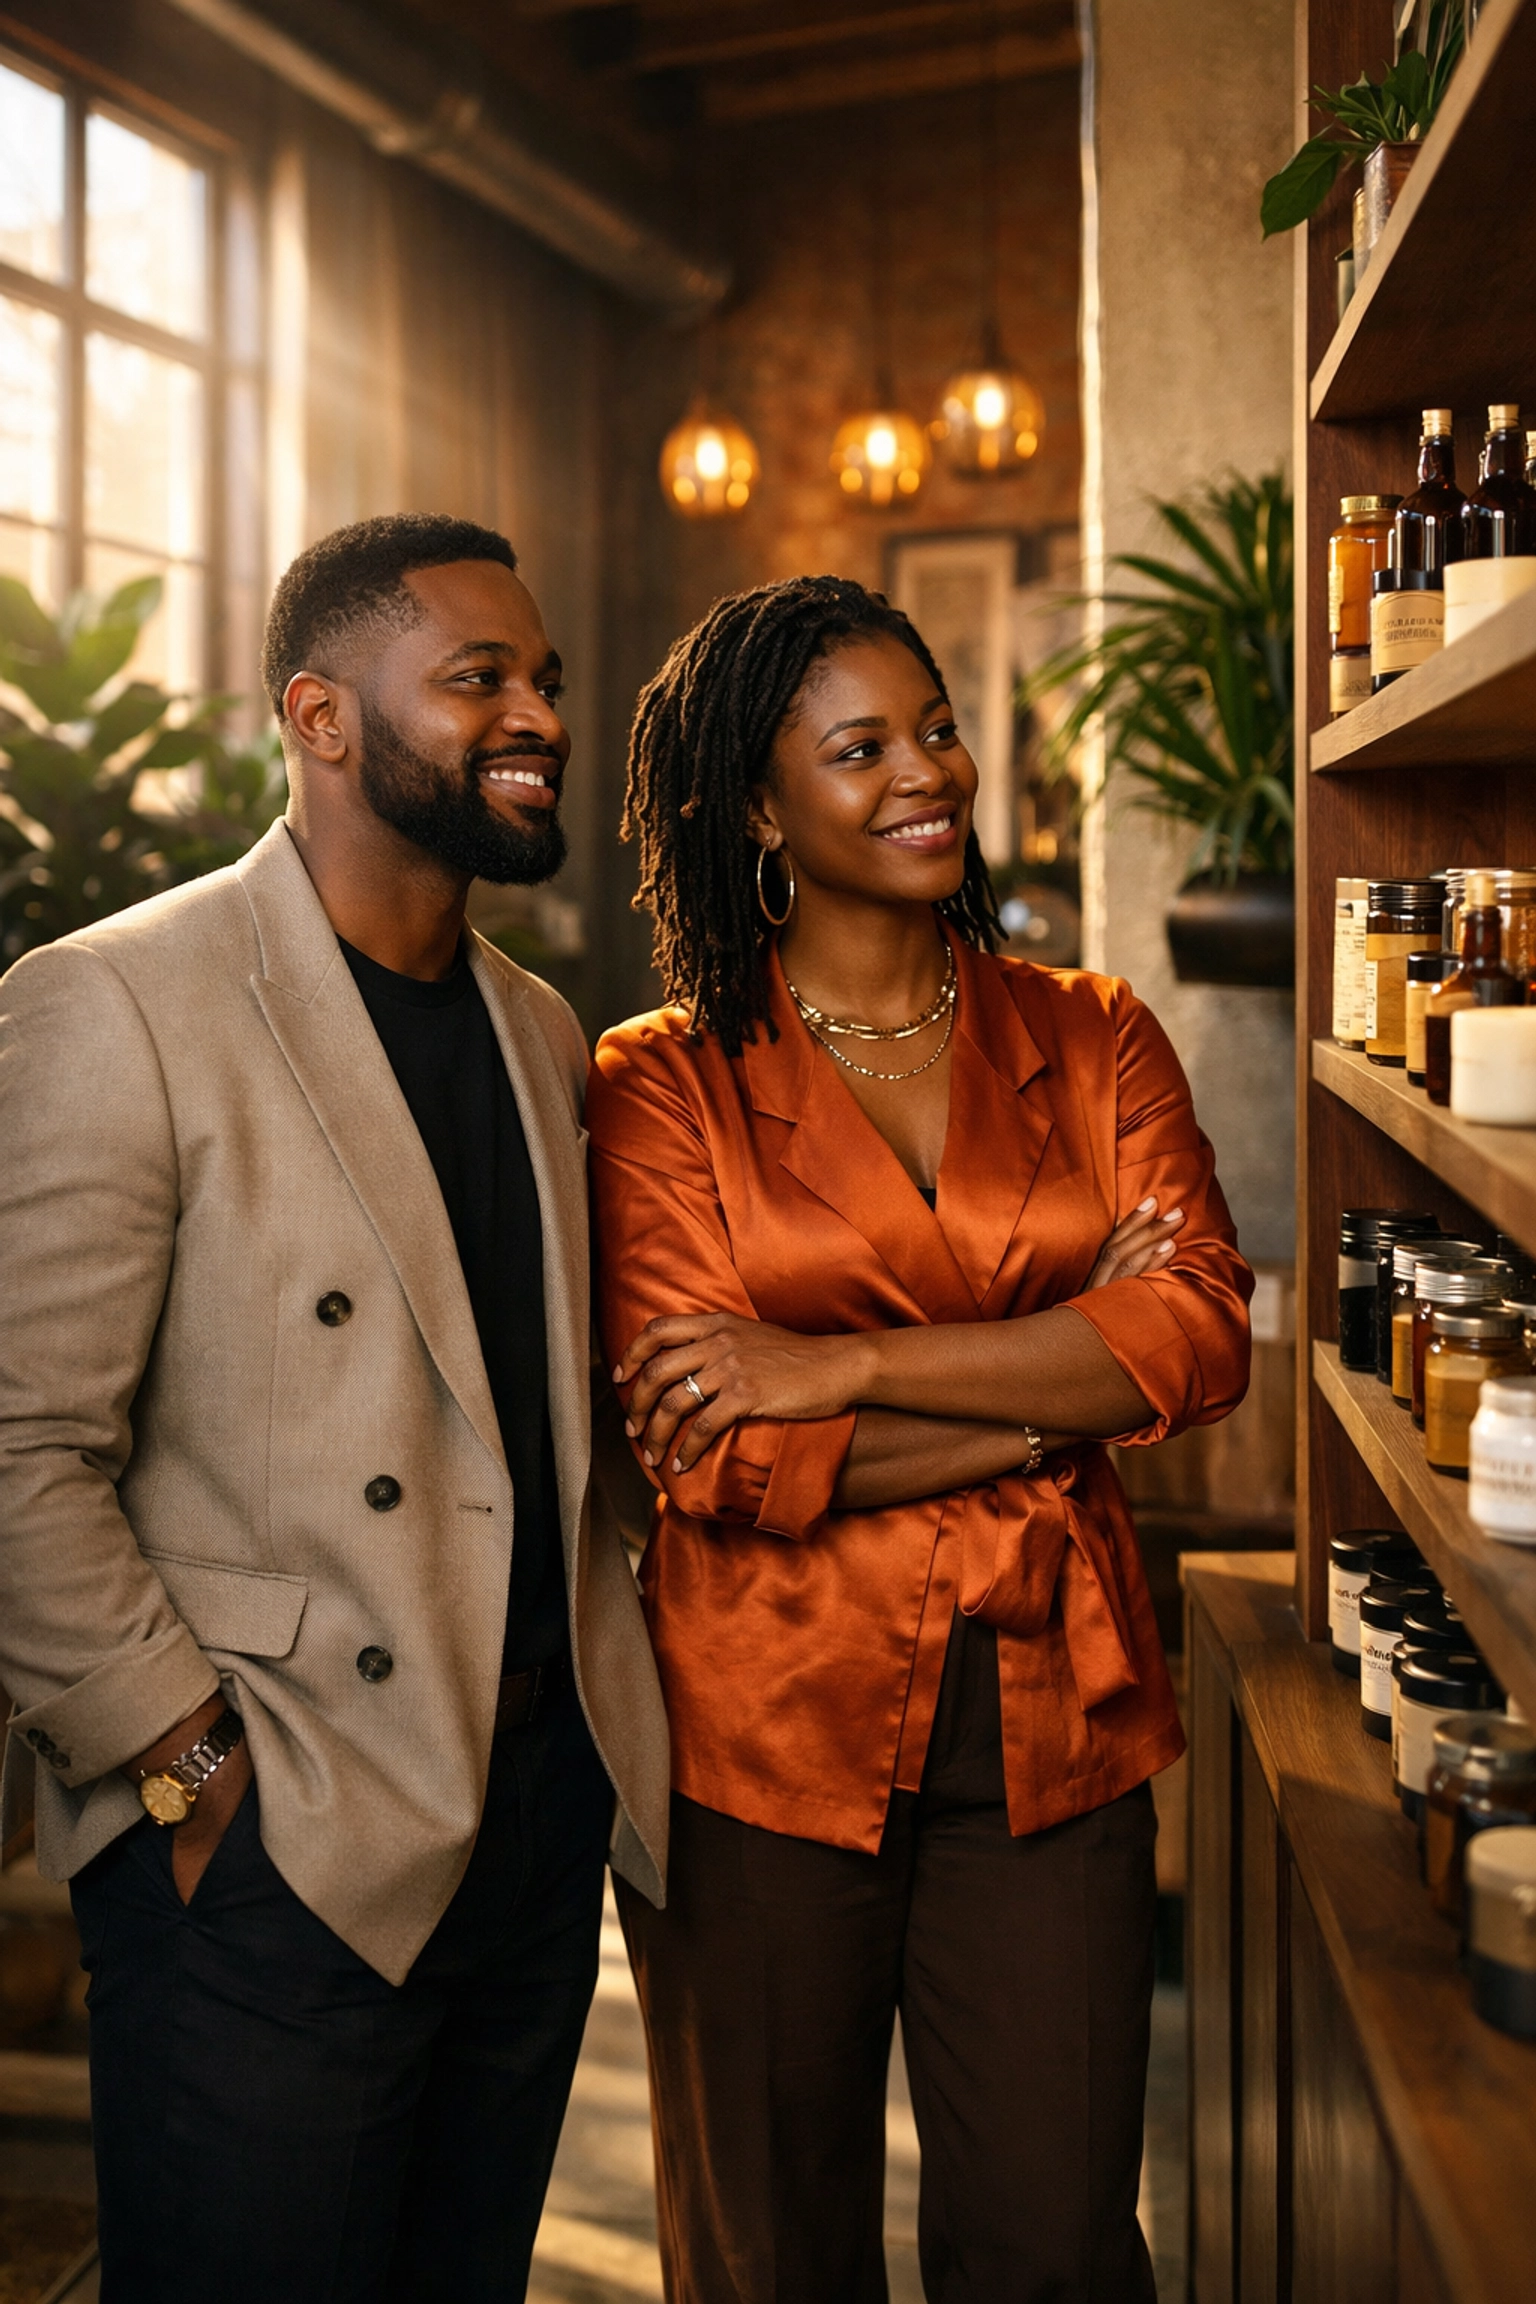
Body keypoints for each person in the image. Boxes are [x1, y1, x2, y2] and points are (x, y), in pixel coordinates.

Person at [0, 514, 667, 2303]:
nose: (534, 713)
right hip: (271, 1845)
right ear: (317, 712)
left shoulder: (544, 1034)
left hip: (525, 1839)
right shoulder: (117, 1002)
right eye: (477, 681)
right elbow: (17, 1453)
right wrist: (192, 1771)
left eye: (542, 679)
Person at [587, 574, 1252, 2304]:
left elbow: (1197, 1335)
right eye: (861, 747)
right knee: (767, 2254)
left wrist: (831, 1375)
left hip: (1057, 1716)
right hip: (759, 1741)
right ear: (755, 808)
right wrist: (1050, 1385)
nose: (926, 773)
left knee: (1054, 2249)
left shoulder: (1093, 1032)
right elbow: (710, 1457)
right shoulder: (660, 1083)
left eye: (938, 728)